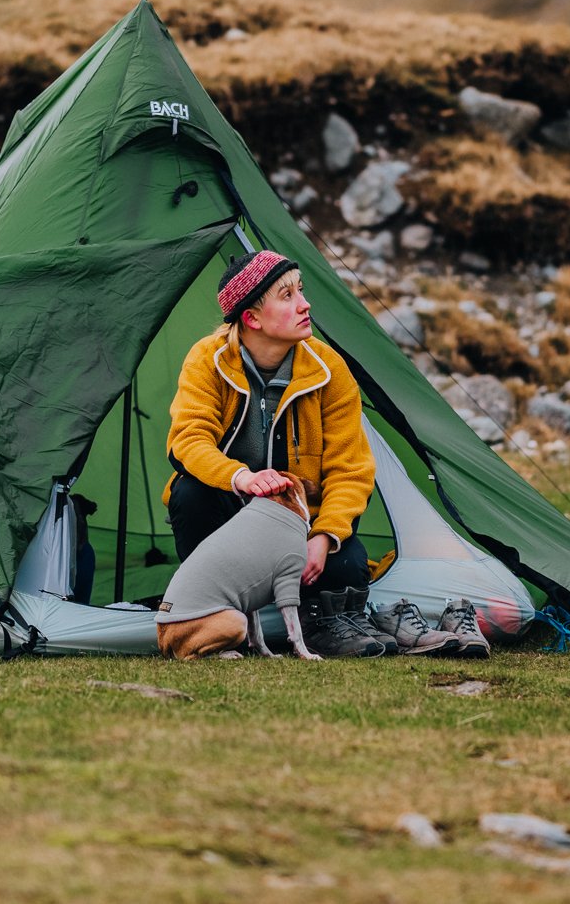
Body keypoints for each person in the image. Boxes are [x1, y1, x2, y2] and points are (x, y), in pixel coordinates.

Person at [163, 249, 397, 658]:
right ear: (252, 318)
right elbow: (189, 439)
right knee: (189, 494)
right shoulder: (208, 359)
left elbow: (351, 469)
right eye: (287, 296)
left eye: (301, 291)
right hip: (234, 519)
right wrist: (242, 477)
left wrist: (324, 537)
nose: (305, 304)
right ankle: (214, 609)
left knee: (349, 565)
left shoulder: (328, 368)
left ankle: (317, 621)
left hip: (298, 523)